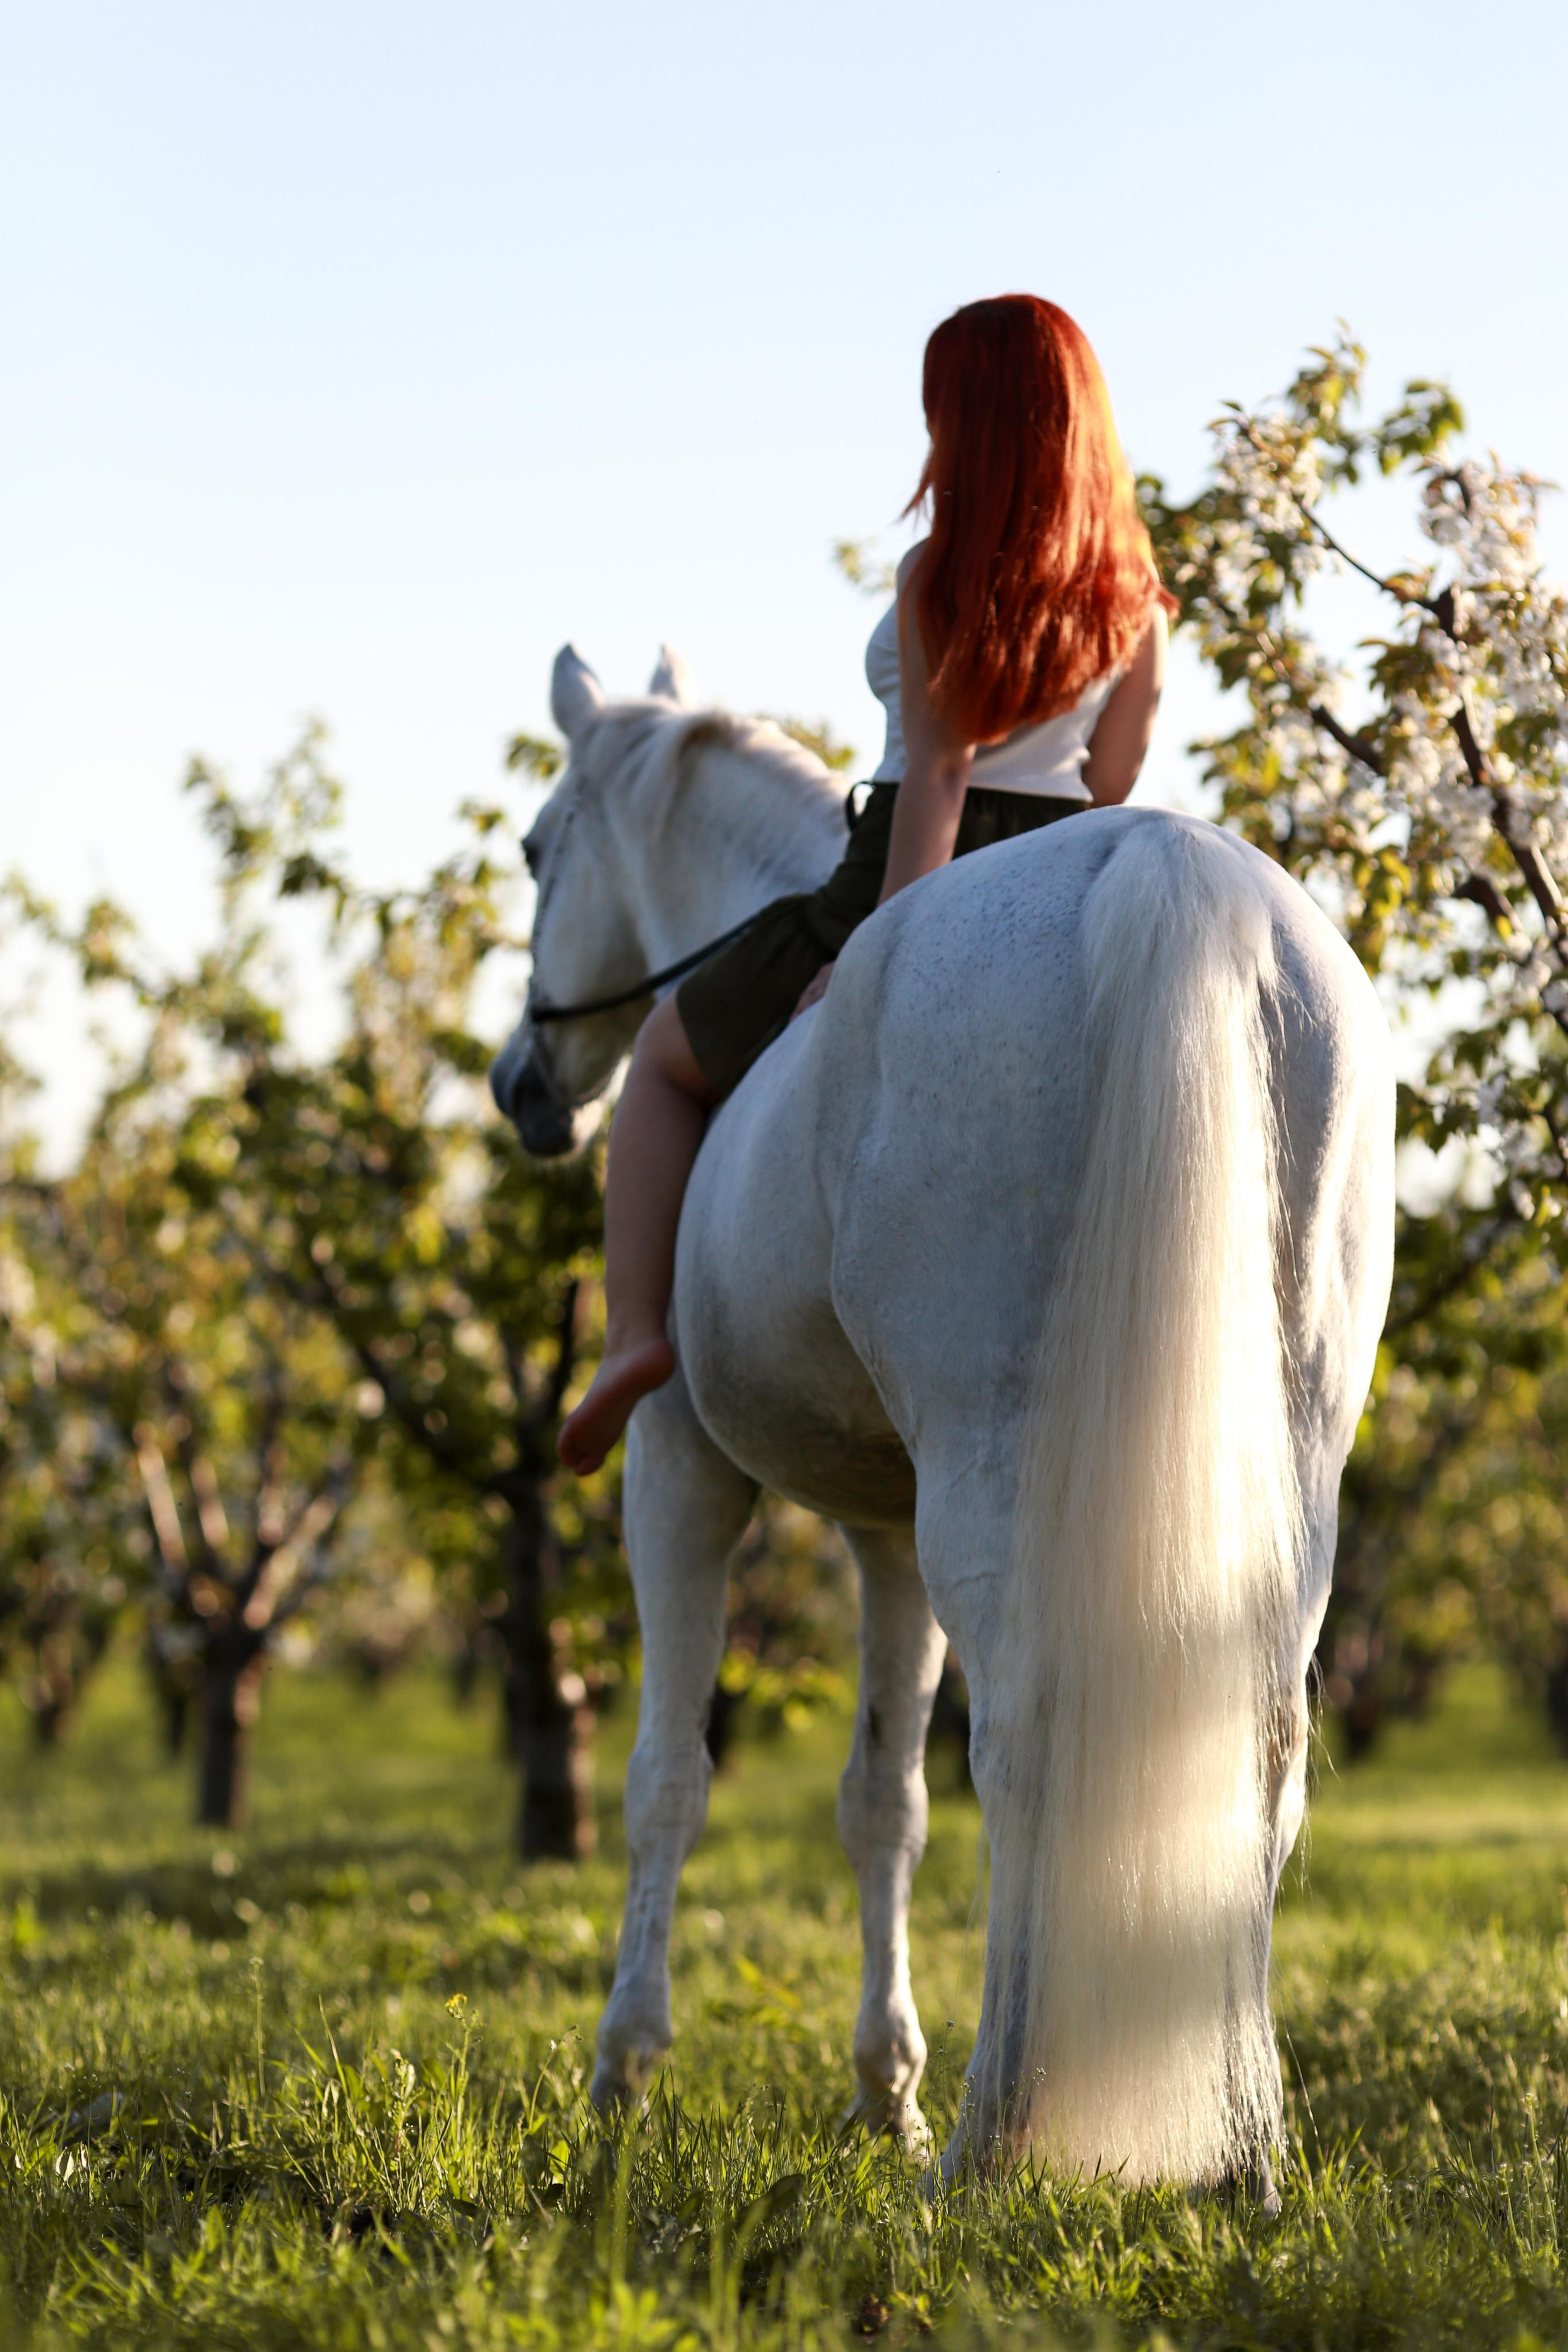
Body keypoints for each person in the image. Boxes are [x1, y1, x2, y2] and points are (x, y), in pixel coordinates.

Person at [557, 295, 1175, 1477]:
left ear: (973, 426)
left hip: (910, 863)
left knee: (666, 1058)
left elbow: (940, 770)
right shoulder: (1135, 593)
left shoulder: (938, 572)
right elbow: (1115, 776)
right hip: (1063, 871)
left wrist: (880, 949)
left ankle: (635, 1335)